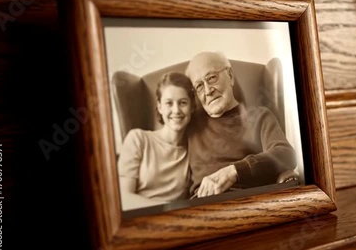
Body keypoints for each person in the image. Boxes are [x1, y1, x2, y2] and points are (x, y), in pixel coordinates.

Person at [185, 51, 297, 198]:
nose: (208, 90)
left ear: (230, 76)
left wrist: (233, 171)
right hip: (201, 207)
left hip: (248, 200)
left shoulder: (258, 116)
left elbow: (286, 155)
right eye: (199, 86)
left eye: (212, 78)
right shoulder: (188, 124)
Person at [117, 72, 195, 210]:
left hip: (176, 224)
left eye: (183, 103)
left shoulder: (195, 149)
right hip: (137, 220)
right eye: (169, 103)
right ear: (159, 107)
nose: (176, 110)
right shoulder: (138, 139)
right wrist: (169, 209)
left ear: (192, 107)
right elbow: (123, 199)